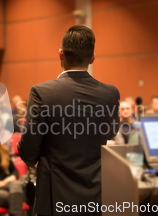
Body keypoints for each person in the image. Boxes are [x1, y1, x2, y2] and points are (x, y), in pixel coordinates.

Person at [18, 25, 120, 216]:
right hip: (97, 197)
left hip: (54, 198)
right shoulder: (110, 93)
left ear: (61, 55)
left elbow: (28, 150)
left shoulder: (42, 92)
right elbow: (111, 133)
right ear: (92, 58)